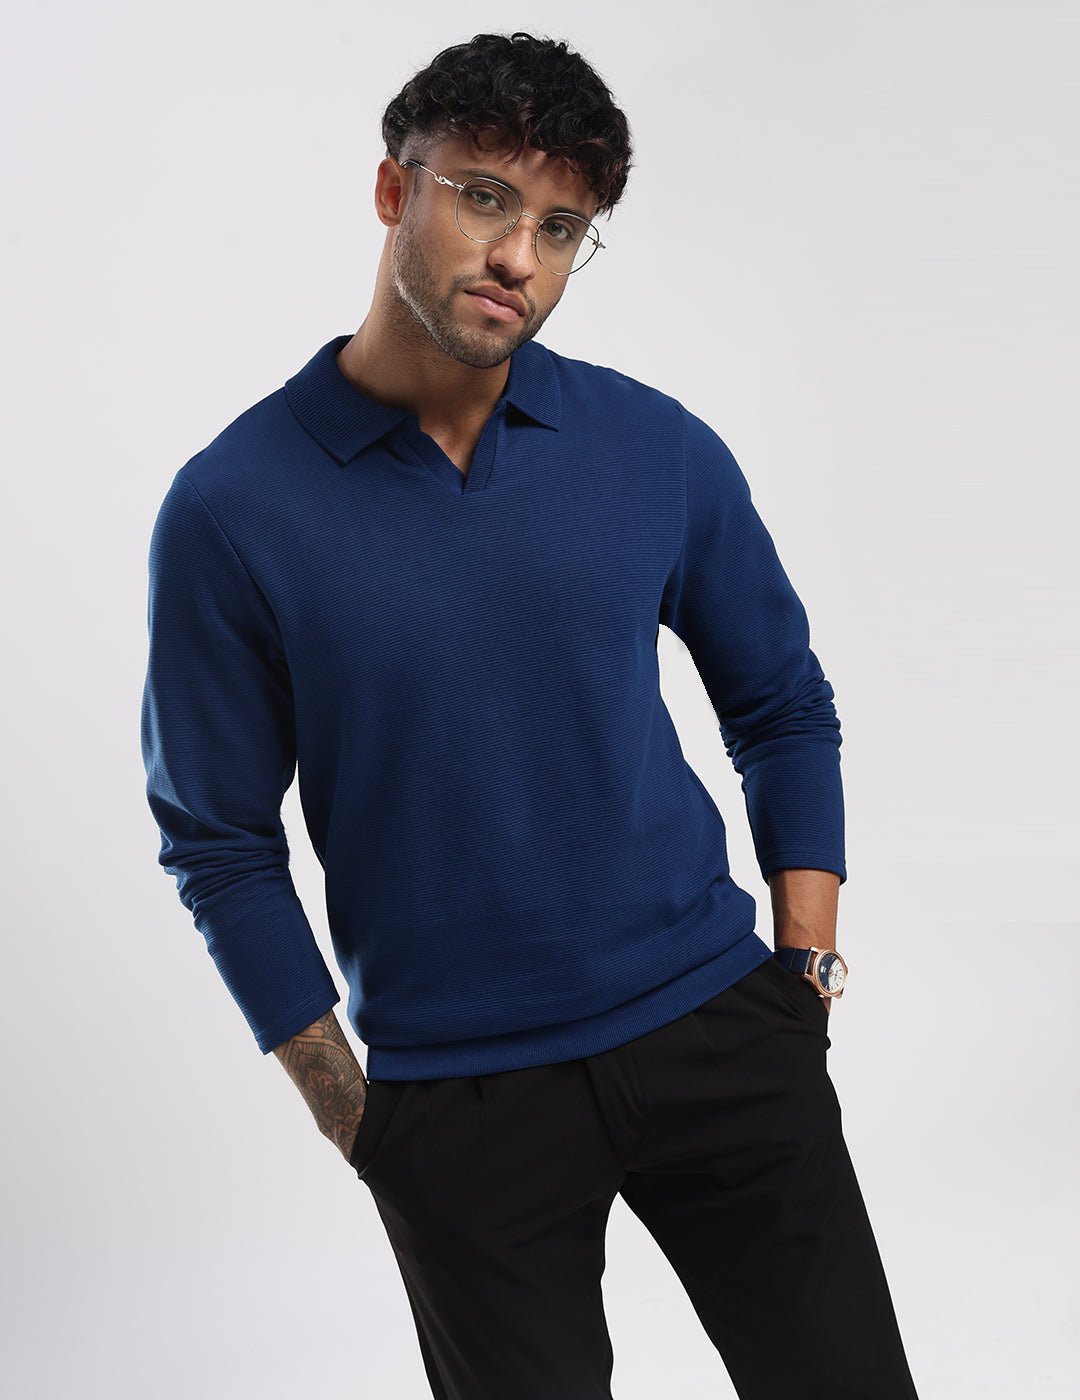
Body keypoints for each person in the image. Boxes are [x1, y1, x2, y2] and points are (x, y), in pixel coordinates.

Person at [140, 29, 920, 1400]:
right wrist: (359, 1119)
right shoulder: (231, 509)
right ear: (396, 191)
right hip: (461, 1102)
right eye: (486, 198)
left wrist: (806, 970)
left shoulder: (653, 447)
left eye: (561, 227)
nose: (519, 256)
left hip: (718, 1029)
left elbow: (783, 704)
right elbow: (218, 840)